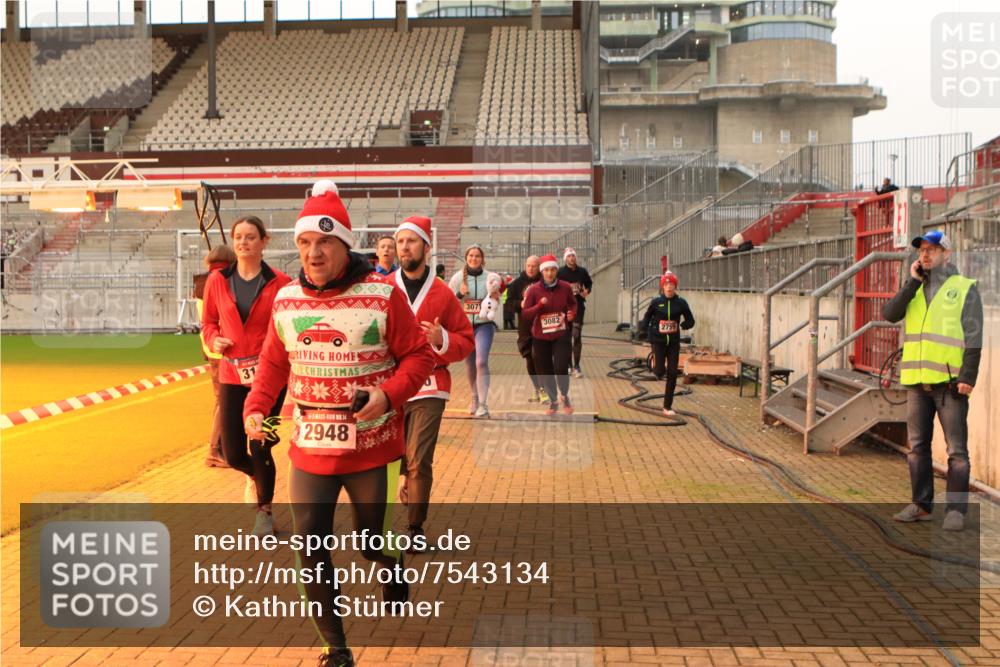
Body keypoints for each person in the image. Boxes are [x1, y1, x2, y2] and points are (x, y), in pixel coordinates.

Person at [244, 181, 435, 667]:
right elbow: (272, 365)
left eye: (324, 243)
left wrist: (388, 394)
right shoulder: (286, 301)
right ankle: (337, 647)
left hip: (369, 448)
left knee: (371, 542)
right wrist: (255, 408)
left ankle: (389, 565)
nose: (313, 253)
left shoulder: (382, 295)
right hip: (309, 448)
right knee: (311, 549)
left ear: (345, 244)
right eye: (305, 243)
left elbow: (418, 357)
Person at [883, 230, 982, 532]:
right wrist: (912, 281)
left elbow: (975, 335)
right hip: (917, 383)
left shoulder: (964, 288)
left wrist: (968, 376)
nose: (925, 255)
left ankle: (955, 511)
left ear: (947, 254)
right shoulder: (914, 287)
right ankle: (921, 505)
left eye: (932, 250)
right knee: (917, 448)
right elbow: (889, 314)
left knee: (956, 451)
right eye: (922, 251)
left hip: (950, 384)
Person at [201, 216, 291, 535]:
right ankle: (255, 477)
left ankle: (264, 512)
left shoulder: (281, 283)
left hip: (268, 379)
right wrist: (214, 340)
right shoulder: (217, 281)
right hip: (232, 375)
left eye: (250, 237)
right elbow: (209, 322)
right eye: (238, 236)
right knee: (233, 452)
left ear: (264, 241)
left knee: (261, 444)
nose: (242, 242)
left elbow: (287, 326)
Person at [393, 215, 474, 549]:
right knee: (390, 456)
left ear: (426, 247)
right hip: (391, 386)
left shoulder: (442, 293)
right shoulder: (383, 287)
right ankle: (398, 490)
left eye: (411, 241)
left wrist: (442, 338)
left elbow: (465, 340)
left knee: (418, 457)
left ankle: (415, 527)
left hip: (429, 385)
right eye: (400, 241)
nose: (404, 247)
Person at [194, 244, 237, 468]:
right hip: (222, 349)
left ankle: (221, 448)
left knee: (222, 399)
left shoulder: (203, 283)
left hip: (212, 348)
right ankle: (214, 449)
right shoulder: (218, 282)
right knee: (225, 400)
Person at [449, 244, 502, 417]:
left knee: (481, 362)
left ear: (482, 259)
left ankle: (483, 404)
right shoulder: (457, 278)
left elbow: (496, 299)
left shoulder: (490, 277)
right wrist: (459, 295)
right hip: (464, 327)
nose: (474, 258)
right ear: (466, 257)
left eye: (477, 256)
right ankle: (474, 396)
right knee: (470, 364)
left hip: (484, 325)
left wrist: (496, 297)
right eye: (471, 255)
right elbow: (448, 302)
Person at [522, 254, 577, 416]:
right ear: (542, 272)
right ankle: (553, 401)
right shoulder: (533, 290)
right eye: (546, 270)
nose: (549, 273)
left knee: (561, 368)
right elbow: (525, 314)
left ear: (556, 270)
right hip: (540, 337)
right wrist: (539, 306)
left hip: (561, 334)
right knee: (546, 371)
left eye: (552, 270)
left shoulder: (565, 287)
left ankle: (565, 395)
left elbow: (573, 304)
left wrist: (572, 313)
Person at [638, 271, 695, 417]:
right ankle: (654, 361)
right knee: (659, 372)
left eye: (672, 284)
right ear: (662, 286)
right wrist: (643, 330)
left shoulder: (681, 303)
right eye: (667, 284)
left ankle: (667, 406)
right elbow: (646, 317)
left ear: (675, 287)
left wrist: (684, 325)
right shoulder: (656, 302)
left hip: (674, 343)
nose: (669, 287)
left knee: (672, 373)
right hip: (658, 340)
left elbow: (691, 320)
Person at [506, 256, 545, 402]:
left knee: (539, 357)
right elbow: (508, 303)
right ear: (525, 266)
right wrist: (520, 304)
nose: (531, 268)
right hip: (525, 327)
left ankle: (544, 389)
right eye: (528, 265)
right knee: (530, 358)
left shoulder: (544, 282)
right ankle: (537, 388)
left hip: (542, 326)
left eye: (534, 266)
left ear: (538, 267)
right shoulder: (517, 284)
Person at [556, 247, 592, 378]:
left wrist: (586, 291)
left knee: (576, 335)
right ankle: (569, 365)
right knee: (566, 338)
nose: (572, 258)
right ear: (566, 258)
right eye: (569, 256)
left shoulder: (582, 271)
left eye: (573, 256)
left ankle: (577, 365)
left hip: (578, 307)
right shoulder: (560, 272)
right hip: (564, 309)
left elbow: (589, 284)